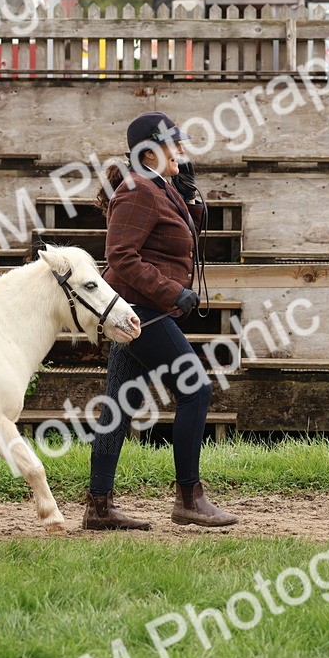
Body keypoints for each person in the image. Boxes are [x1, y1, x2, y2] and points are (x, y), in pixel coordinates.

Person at [82, 111, 239, 531]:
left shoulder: (158, 188)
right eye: (175, 143)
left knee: (118, 407)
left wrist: (190, 198)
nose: (183, 150)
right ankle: (190, 498)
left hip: (140, 311)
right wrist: (172, 293)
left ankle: (99, 507)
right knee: (196, 390)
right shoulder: (138, 191)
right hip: (142, 311)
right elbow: (120, 257)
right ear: (151, 150)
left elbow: (177, 237)